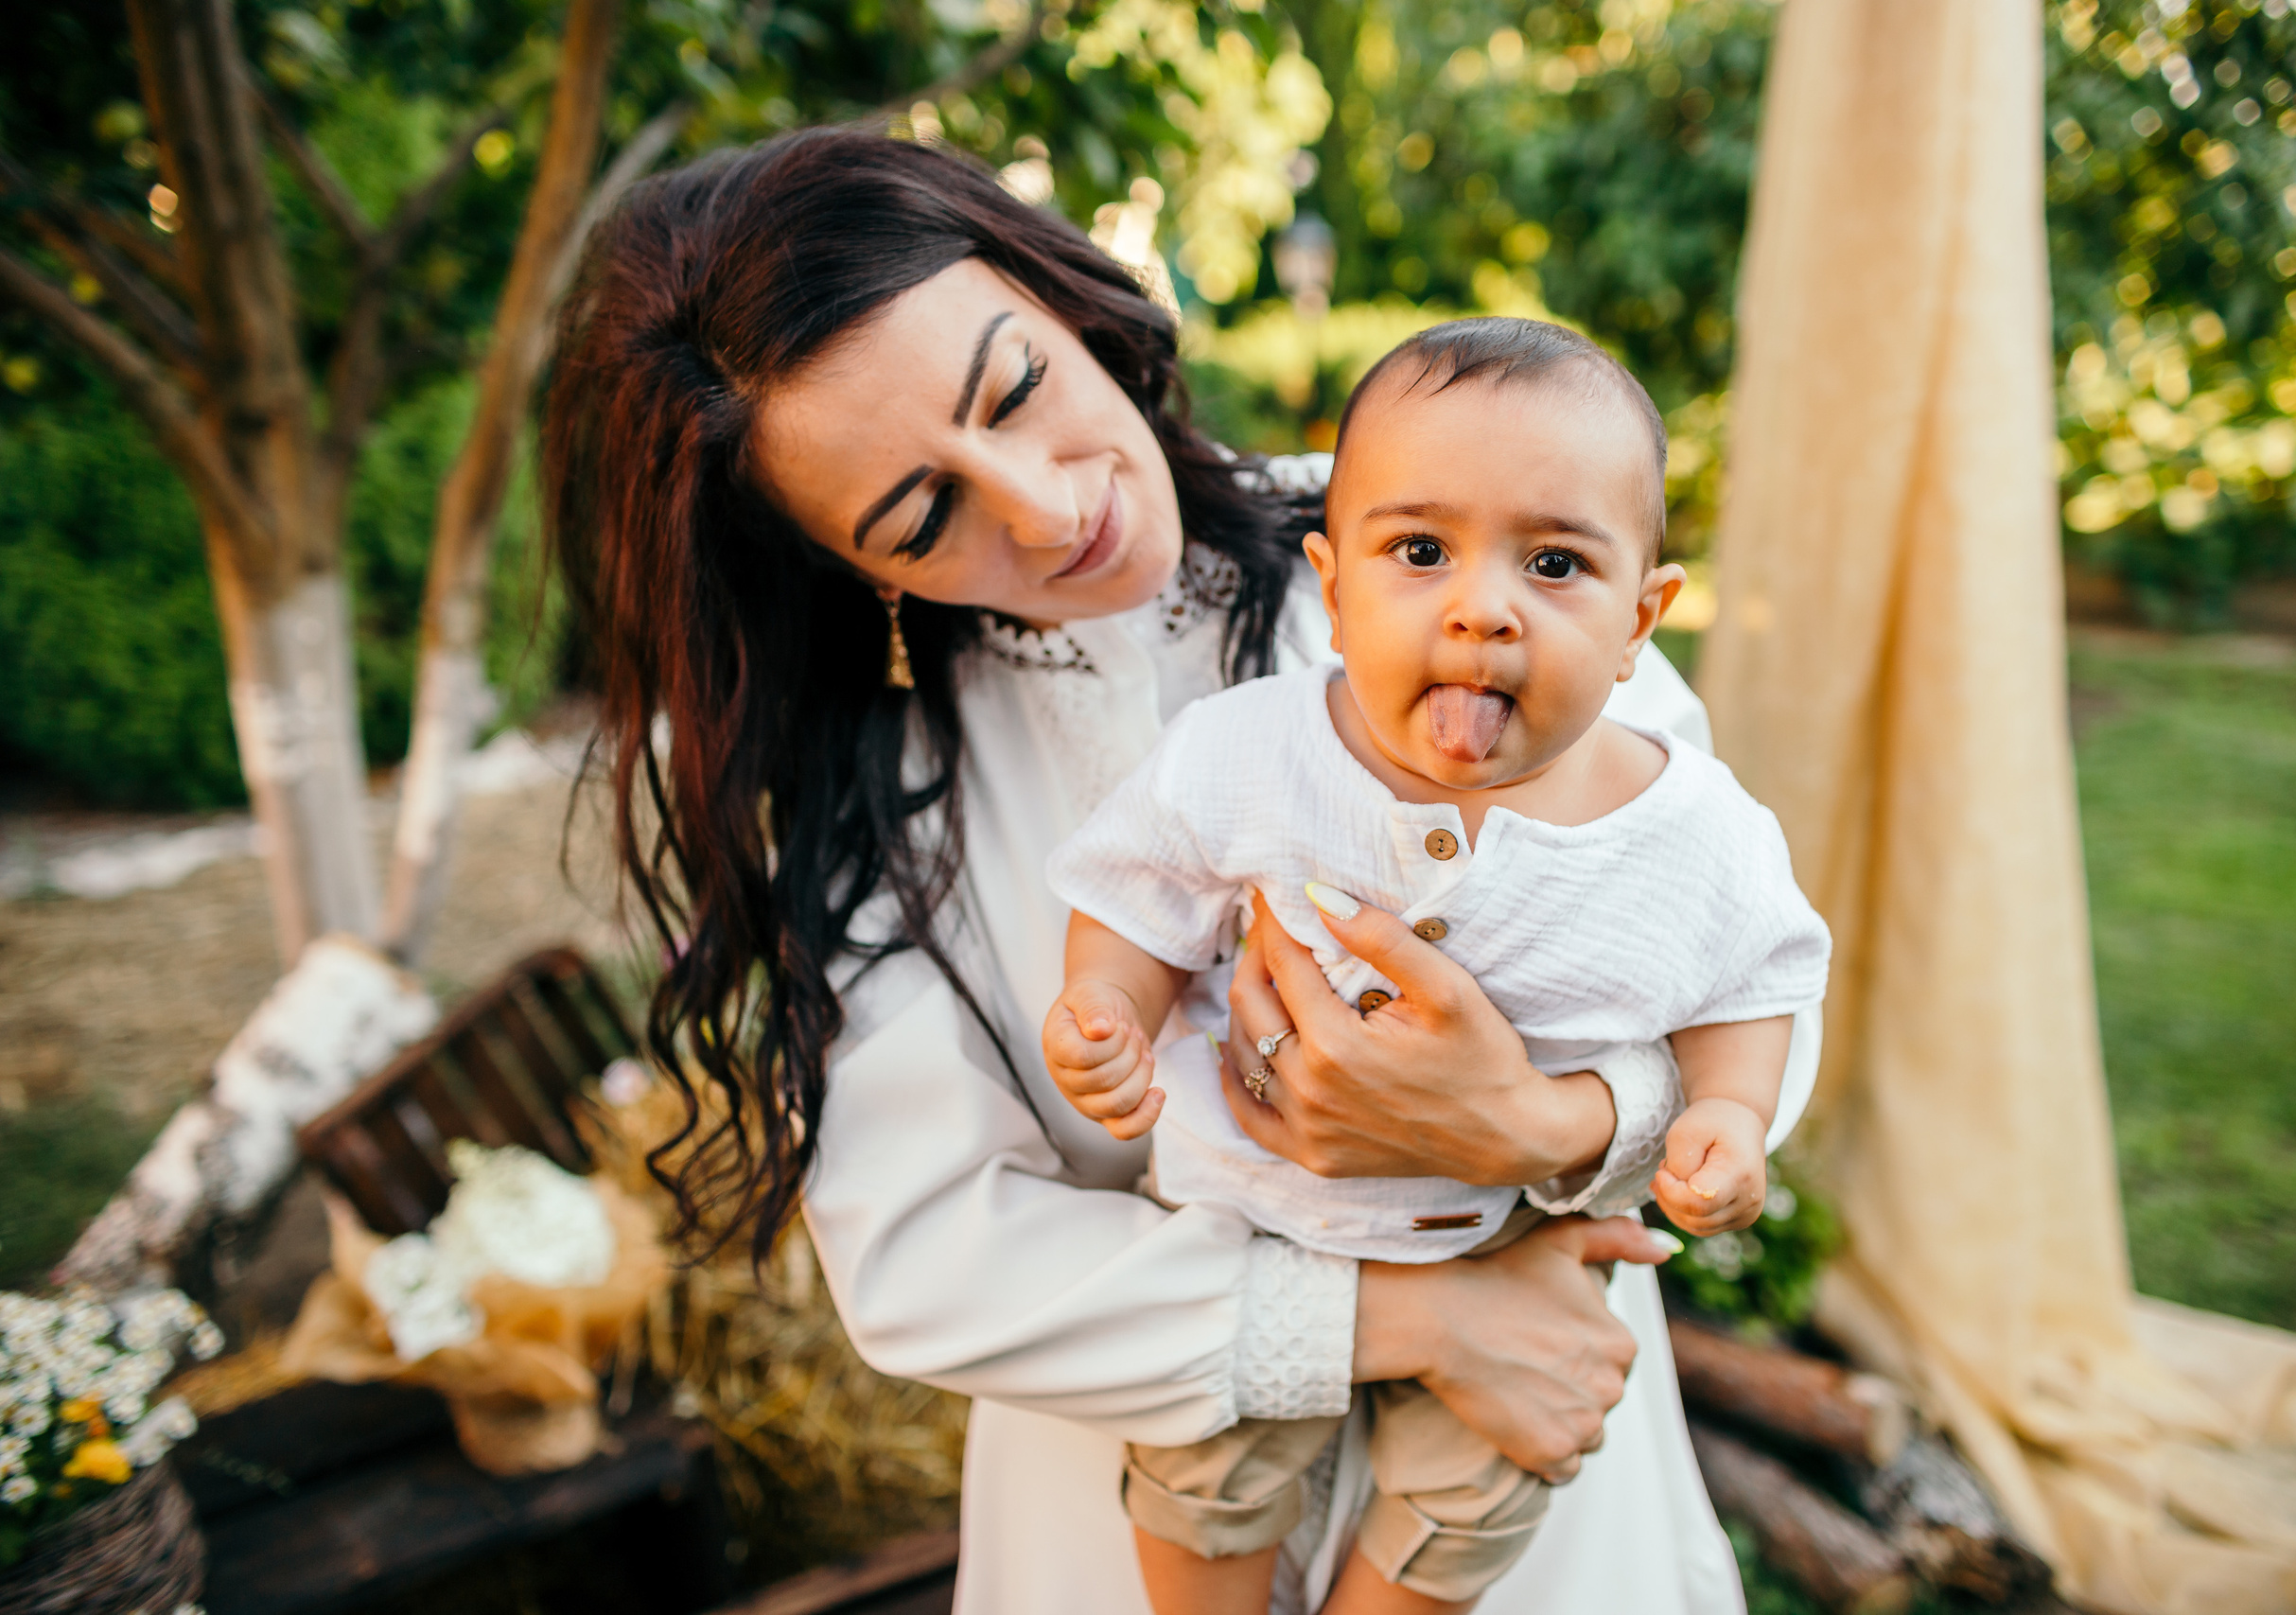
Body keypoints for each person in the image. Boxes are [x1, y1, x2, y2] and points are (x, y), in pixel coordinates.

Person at [543, 126, 1817, 1614]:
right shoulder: (871, 806)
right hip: (1129, 1514)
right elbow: (924, 1258)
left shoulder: (1465, 536)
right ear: (856, 569)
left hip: (1535, 1486)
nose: (1046, 505)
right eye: (925, 515)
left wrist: (1540, 1122)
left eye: (1015, 388)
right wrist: (1409, 1320)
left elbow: (1737, 966)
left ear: (1054, 290)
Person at [1041, 319, 1831, 1614]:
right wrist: (1106, 1010)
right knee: (1206, 1475)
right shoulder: (1248, 752)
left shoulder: (1691, 827)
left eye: (1556, 563)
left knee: (1483, 1484)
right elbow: (1138, 889)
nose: (1482, 606)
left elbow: (1756, 981)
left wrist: (1730, 1118)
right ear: (1334, 589)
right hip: (1258, 1223)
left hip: (1514, 1253)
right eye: (1419, 552)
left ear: (1642, 620)